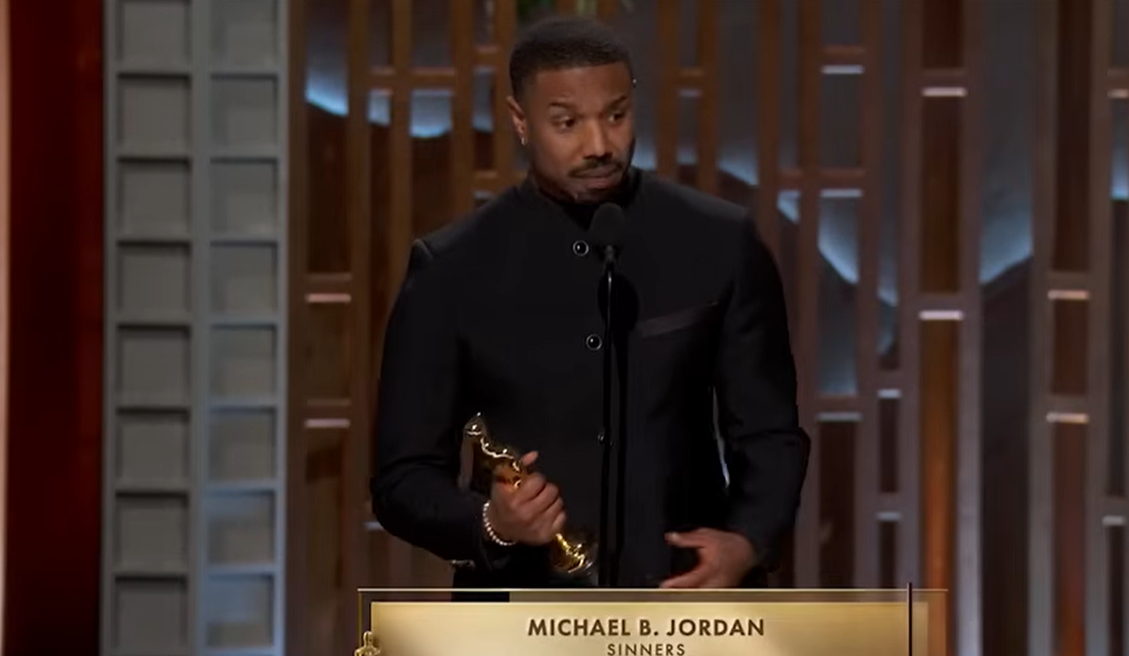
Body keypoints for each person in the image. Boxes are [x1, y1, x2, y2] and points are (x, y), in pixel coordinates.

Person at [370, 15, 809, 590]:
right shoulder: (451, 269)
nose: (599, 145)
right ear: (520, 121)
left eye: (616, 116)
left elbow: (769, 433)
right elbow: (402, 479)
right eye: (567, 123)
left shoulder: (719, 243)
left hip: (682, 608)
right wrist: (491, 523)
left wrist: (748, 541)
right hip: (520, 620)